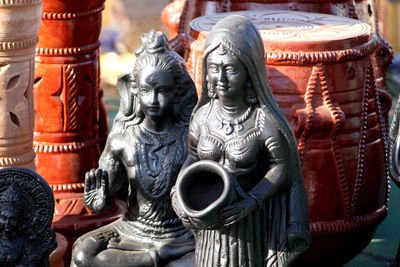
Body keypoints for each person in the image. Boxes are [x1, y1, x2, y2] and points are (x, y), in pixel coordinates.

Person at [172, 15, 310, 267]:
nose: (221, 78)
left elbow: (281, 167)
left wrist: (252, 201)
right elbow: (192, 156)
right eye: (214, 68)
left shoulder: (262, 121)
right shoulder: (203, 117)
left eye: (231, 69)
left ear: (249, 70)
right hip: (208, 219)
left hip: (247, 223)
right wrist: (177, 190)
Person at [71, 31, 198, 267]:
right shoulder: (122, 138)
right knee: (82, 252)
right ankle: (156, 258)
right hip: (133, 228)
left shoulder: (190, 136)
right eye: (146, 91)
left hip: (179, 233)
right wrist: (99, 199)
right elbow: (109, 196)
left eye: (162, 91)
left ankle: (154, 258)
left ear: (178, 93)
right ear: (134, 91)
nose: (153, 100)